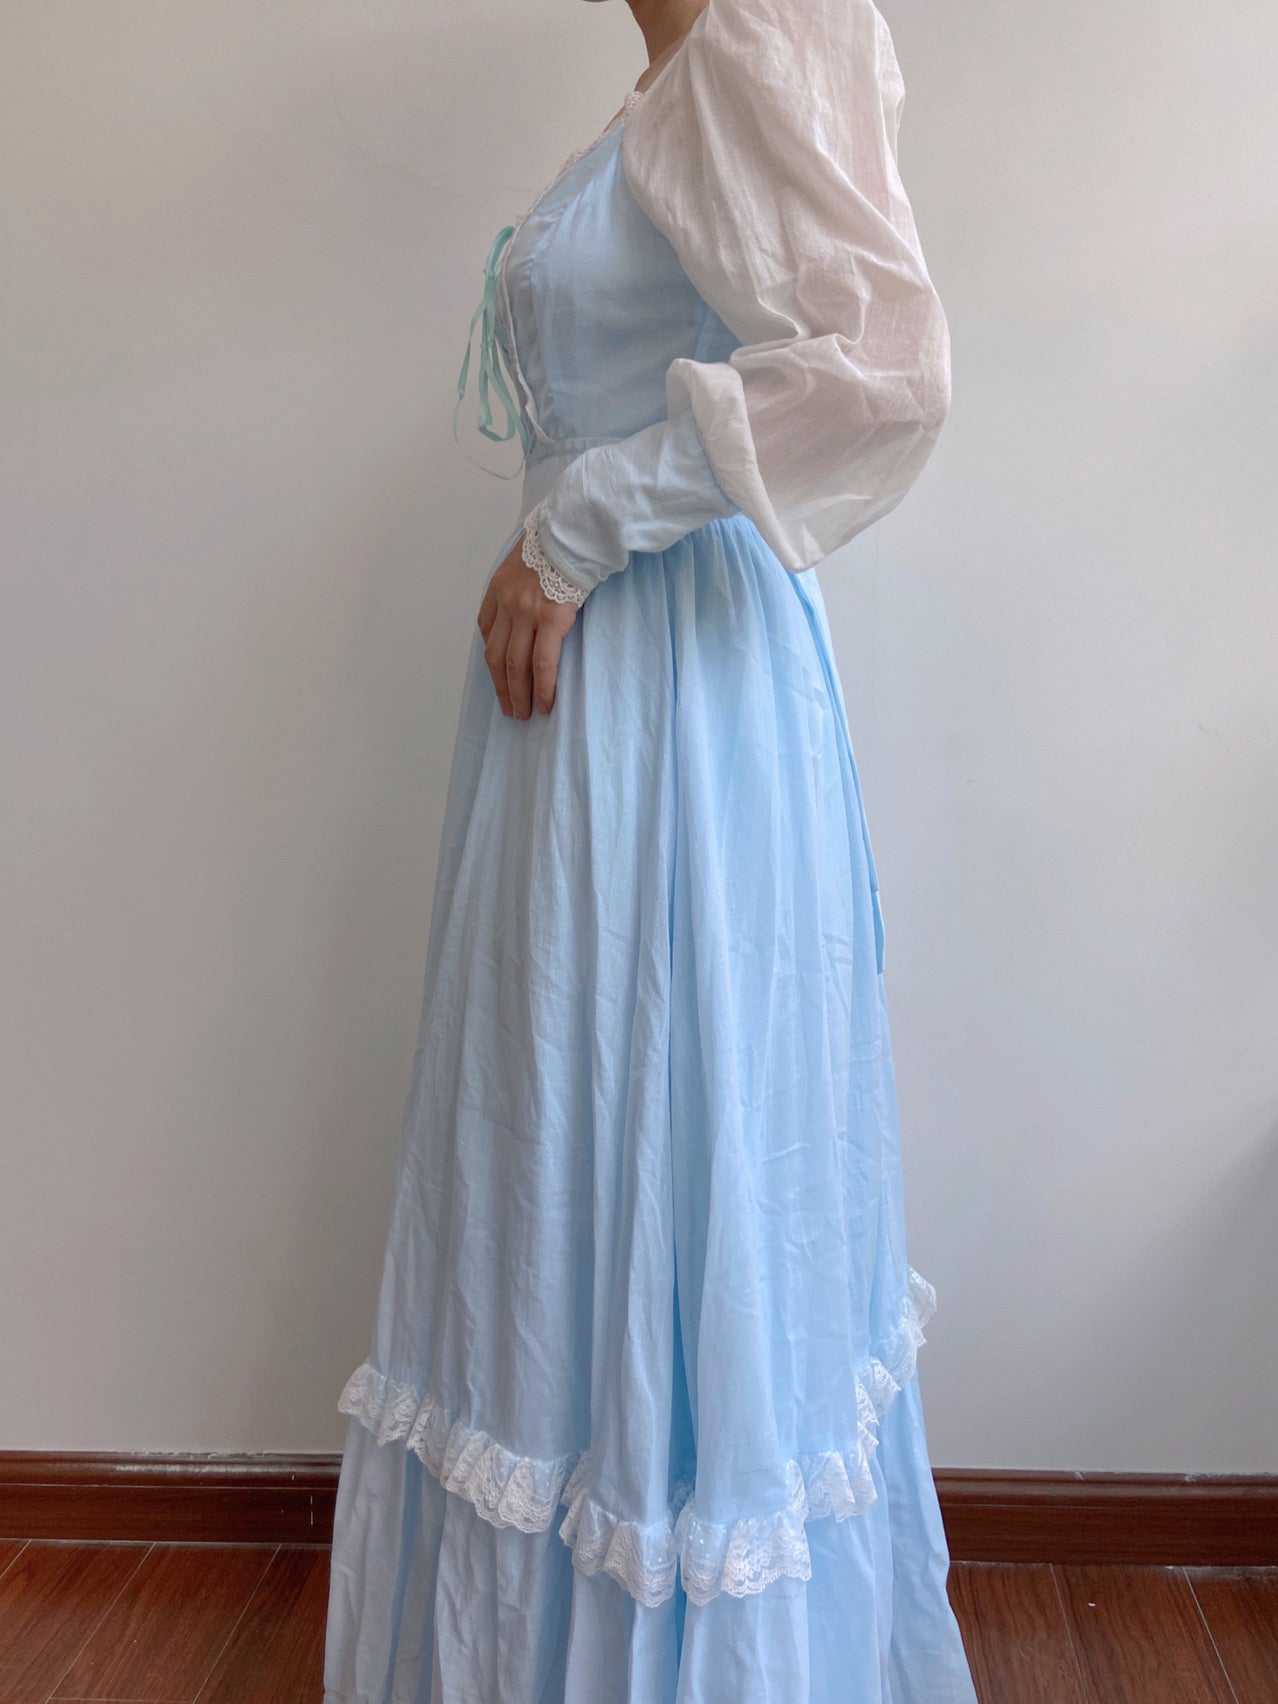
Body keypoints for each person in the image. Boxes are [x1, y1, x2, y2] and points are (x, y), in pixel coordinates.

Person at [323, 0, 980, 1698]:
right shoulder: (669, 85)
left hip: (675, 699)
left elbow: (879, 363)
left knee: (668, 1116)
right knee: (570, 1131)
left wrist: (576, 527)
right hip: (601, 704)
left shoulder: (766, 28)